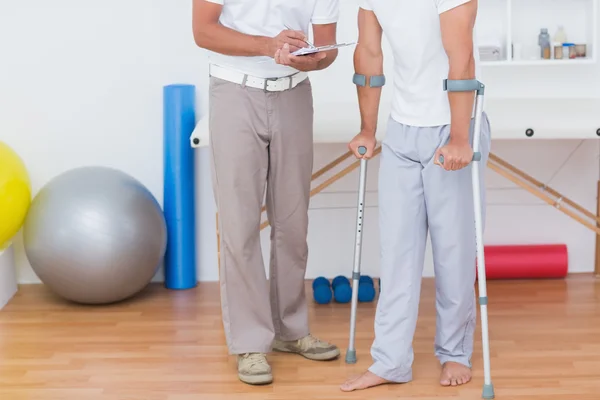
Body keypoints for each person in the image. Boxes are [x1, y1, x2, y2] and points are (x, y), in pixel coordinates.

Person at [341, 0, 492, 392]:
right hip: (402, 130)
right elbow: (369, 54)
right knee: (397, 252)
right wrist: (368, 129)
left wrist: (460, 138)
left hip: (453, 122)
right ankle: (390, 360)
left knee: (453, 251)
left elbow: (460, 57)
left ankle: (455, 352)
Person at [192, 0, 342, 386]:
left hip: (293, 94)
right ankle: (249, 343)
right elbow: (203, 31)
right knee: (239, 225)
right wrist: (266, 45)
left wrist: (313, 60)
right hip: (235, 93)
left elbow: (327, 48)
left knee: (293, 223)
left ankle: (290, 331)